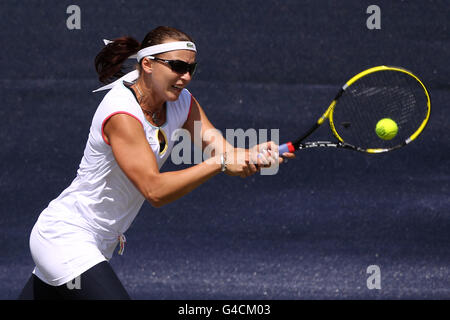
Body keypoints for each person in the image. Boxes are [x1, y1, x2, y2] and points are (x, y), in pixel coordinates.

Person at [18, 26, 295, 300]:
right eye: (177, 66)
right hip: (65, 239)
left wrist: (252, 154)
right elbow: (155, 190)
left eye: (191, 69)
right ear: (148, 64)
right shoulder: (122, 115)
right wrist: (221, 163)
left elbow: (222, 150)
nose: (185, 77)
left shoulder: (182, 102)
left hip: (98, 244)